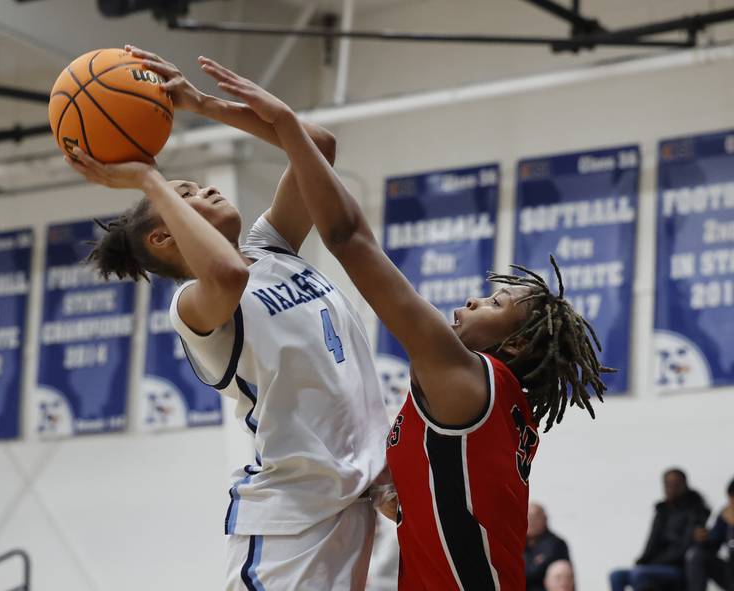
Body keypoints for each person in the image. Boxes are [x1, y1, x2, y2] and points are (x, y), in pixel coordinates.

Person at [191, 56, 611, 590]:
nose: (473, 301)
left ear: (522, 345)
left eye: (494, 304)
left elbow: (347, 237)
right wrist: (389, 492)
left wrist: (283, 122)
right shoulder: (497, 409)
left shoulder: (465, 378)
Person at [67, 46, 389, 591]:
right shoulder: (194, 306)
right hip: (293, 522)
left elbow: (318, 148)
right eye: (186, 194)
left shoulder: (271, 248)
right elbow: (226, 276)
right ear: (163, 235)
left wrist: (203, 105)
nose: (207, 189)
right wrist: (149, 181)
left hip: (366, 504)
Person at [610, 468, 710, 591]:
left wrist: (654, 562)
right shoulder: (662, 511)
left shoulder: (695, 511)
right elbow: (651, 542)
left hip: (678, 568)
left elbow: (685, 546)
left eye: (675, 484)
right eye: (667, 483)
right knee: (616, 575)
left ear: (684, 485)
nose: (670, 487)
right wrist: (643, 561)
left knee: (640, 575)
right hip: (655, 565)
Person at [686, 477, 734, 591]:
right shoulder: (726, 515)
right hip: (731, 570)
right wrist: (701, 538)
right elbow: (712, 542)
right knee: (698, 555)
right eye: (731, 497)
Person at [526, 503, 571, 591]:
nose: (530, 521)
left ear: (544, 519)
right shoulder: (517, 544)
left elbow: (566, 575)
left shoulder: (556, 544)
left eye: (534, 517)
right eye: (527, 517)